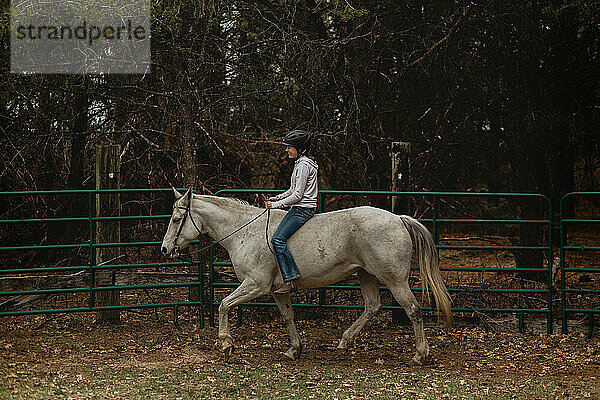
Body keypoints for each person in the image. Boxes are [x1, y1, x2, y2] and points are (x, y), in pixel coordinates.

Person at [265, 130, 318, 294]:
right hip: (301, 207)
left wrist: (275, 206)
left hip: (302, 209)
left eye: (290, 147)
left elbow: (297, 195)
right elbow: (292, 189)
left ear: (299, 148)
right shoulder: (301, 163)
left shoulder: (303, 165)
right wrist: (276, 198)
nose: (287, 150)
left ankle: (290, 279)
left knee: (277, 239)